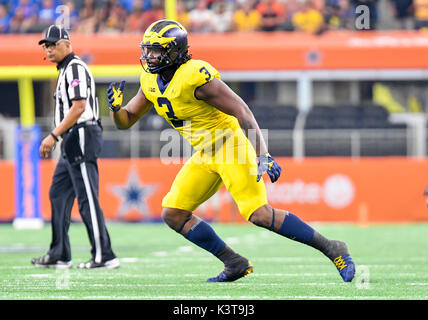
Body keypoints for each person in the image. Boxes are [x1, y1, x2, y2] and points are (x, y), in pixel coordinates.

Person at [108, 19, 355, 282]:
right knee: (173, 213)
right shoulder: (150, 80)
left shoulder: (195, 75)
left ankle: (333, 248)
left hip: (230, 146)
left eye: (157, 50)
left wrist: (263, 154)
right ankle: (234, 263)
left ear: (174, 51)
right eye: (148, 49)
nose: (150, 55)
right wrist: (114, 110)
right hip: (204, 154)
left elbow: (242, 110)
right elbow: (126, 121)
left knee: (258, 214)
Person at [31, 25, 119, 269]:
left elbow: (79, 107)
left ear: (68, 45)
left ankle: (105, 255)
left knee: (87, 197)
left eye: (54, 44)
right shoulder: (65, 70)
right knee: (58, 193)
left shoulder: (74, 67)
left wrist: (53, 136)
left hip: (81, 134)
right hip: (72, 137)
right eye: (46, 46)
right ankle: (60, 253)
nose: (49, 49)